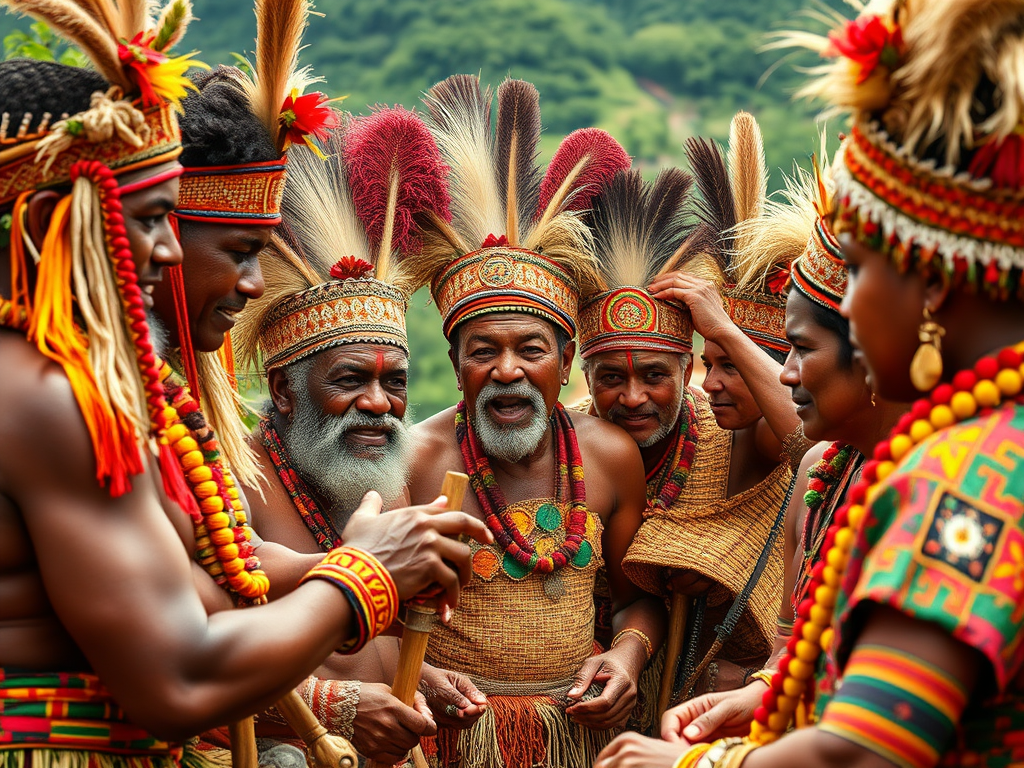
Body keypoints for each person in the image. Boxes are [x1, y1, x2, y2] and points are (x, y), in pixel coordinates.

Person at [0, 5, 491, 768]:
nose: (164, 249)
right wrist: (366, 575)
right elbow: (179, 674)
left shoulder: (89, 388)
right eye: (156, 216)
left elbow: (205, 574)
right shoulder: (45, 395)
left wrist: (370, 558)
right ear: (51, 219)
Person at [599, 0, 1024, 765]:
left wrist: (693, 764)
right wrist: (773, 697)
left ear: (928, 285)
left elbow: (863, 753)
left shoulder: (970, 478)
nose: (852, 303)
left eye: (858, 272)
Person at [403, 74, 665, 768]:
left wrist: (628, 656)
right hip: (450, 744)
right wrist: (413, 674)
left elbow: (640, 602)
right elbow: (356, 619)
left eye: (531, 349)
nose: (508, 370)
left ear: (567, 359)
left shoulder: (608, 456)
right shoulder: (414, 460)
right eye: (483, 351)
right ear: (455, 362)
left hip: (578, 740)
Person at [231, 115, 487, 758]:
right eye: (349, 380)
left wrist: (419, 675)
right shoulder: (229, 478)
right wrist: (339, 710)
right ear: (285, 390)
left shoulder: (383, 475)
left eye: (395, 382)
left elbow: (359, 636)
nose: (378, 405)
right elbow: (186, 663)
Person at [581, 113, 804, 705]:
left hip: (703, 700)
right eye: (611, 378)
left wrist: (728, 332)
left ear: (687, 371)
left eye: (656, 376)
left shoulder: (736, 432)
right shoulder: (572, 439)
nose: (632, 398)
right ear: (584, 377)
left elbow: (812, 447)